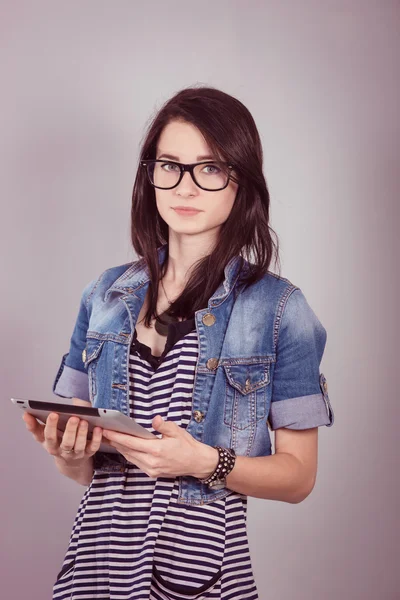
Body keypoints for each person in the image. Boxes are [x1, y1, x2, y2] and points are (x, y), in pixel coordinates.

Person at [23, 85, 334, 600]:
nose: (184, 187)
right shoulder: (104, 294)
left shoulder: (279, 309)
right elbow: (81, 472)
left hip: (200, 577)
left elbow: (299, 478)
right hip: (95, 571)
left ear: (242, 181)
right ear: (150, 176)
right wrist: (67, 450)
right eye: (169, 165)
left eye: (209, 169)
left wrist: (203, 463)